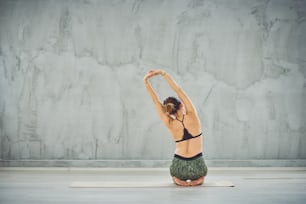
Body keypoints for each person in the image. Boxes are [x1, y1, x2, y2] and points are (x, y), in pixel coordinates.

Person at [143, 69, 208, 186]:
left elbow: (155, 102)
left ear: (170, 110)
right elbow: (178, 90)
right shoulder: (192, 116)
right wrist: (163, 74)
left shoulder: (170, 123)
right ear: (181, 105)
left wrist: (146, 81)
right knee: (202, 174)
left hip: (179, 166)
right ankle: (198, 179)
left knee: (175, 174)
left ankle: (178, 179)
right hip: (197, 166)